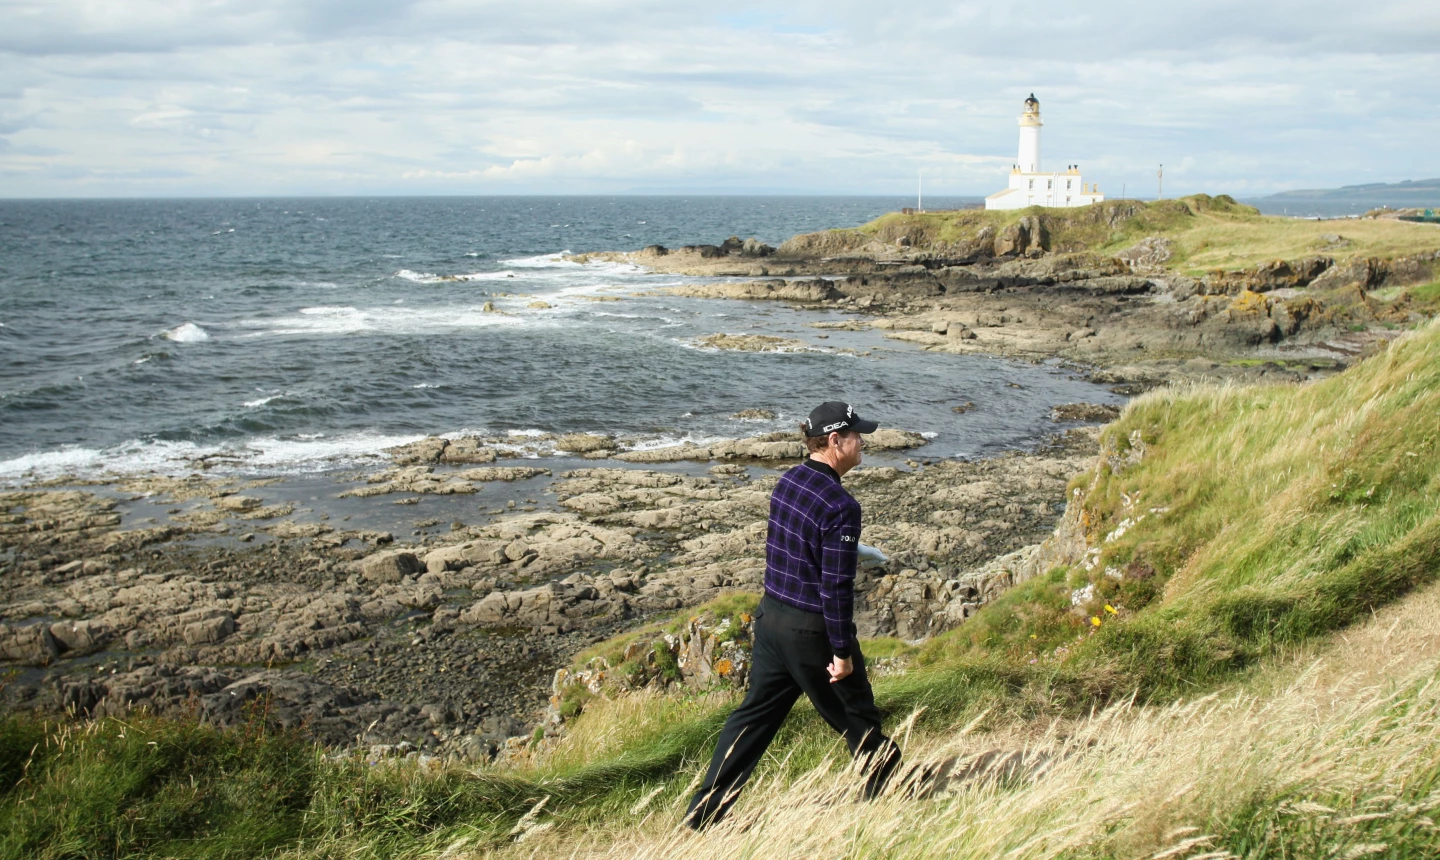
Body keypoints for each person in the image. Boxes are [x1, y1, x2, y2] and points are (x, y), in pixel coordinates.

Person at [684, 401, 902, 830]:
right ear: (835, 441)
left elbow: (801, 545)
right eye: (857, 436)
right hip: (811, 633)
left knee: (752, 720)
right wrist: (842, 651)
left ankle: (701, 814)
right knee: (858, 716)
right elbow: (835, 587)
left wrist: (856, 550)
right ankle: (896, 796)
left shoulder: (788, 481)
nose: (864, 443)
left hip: (771, 622)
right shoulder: (842, 505)